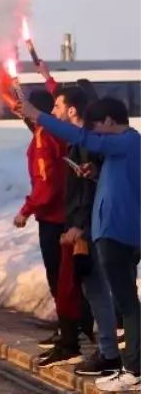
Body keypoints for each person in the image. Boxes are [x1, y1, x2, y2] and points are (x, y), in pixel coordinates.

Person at [21, 95, 141, 393]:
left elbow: (79, 135)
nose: (95, 134)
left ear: (111, 121)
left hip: (118, 234)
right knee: (125, 302)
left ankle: (134, 369)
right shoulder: (124, 148)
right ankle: (130, 365)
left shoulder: (126, 142)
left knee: (126, 304)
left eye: (97, 127)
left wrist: (38, 115)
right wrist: (95, 173)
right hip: (112, 232)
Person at [52, 85, 121, 377]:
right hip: (87, 223)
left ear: (71, 110)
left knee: (97, 289)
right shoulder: (83, 143)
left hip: (90, 226)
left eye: (57, 106)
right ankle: (109, 349)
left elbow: (87, 191)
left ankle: (109, 353)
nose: (53, 112)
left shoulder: (87, 144)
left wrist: (79, 226)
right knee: (96, 289)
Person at [12, 90, 68, 342]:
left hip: (54, 216)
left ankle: (67, 332)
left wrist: (26, 210)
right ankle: (71, 328)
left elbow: (46, 183)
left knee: (59, 277)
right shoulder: (57, 132)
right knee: (69, 276)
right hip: (67, 213)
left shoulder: (44, 138)